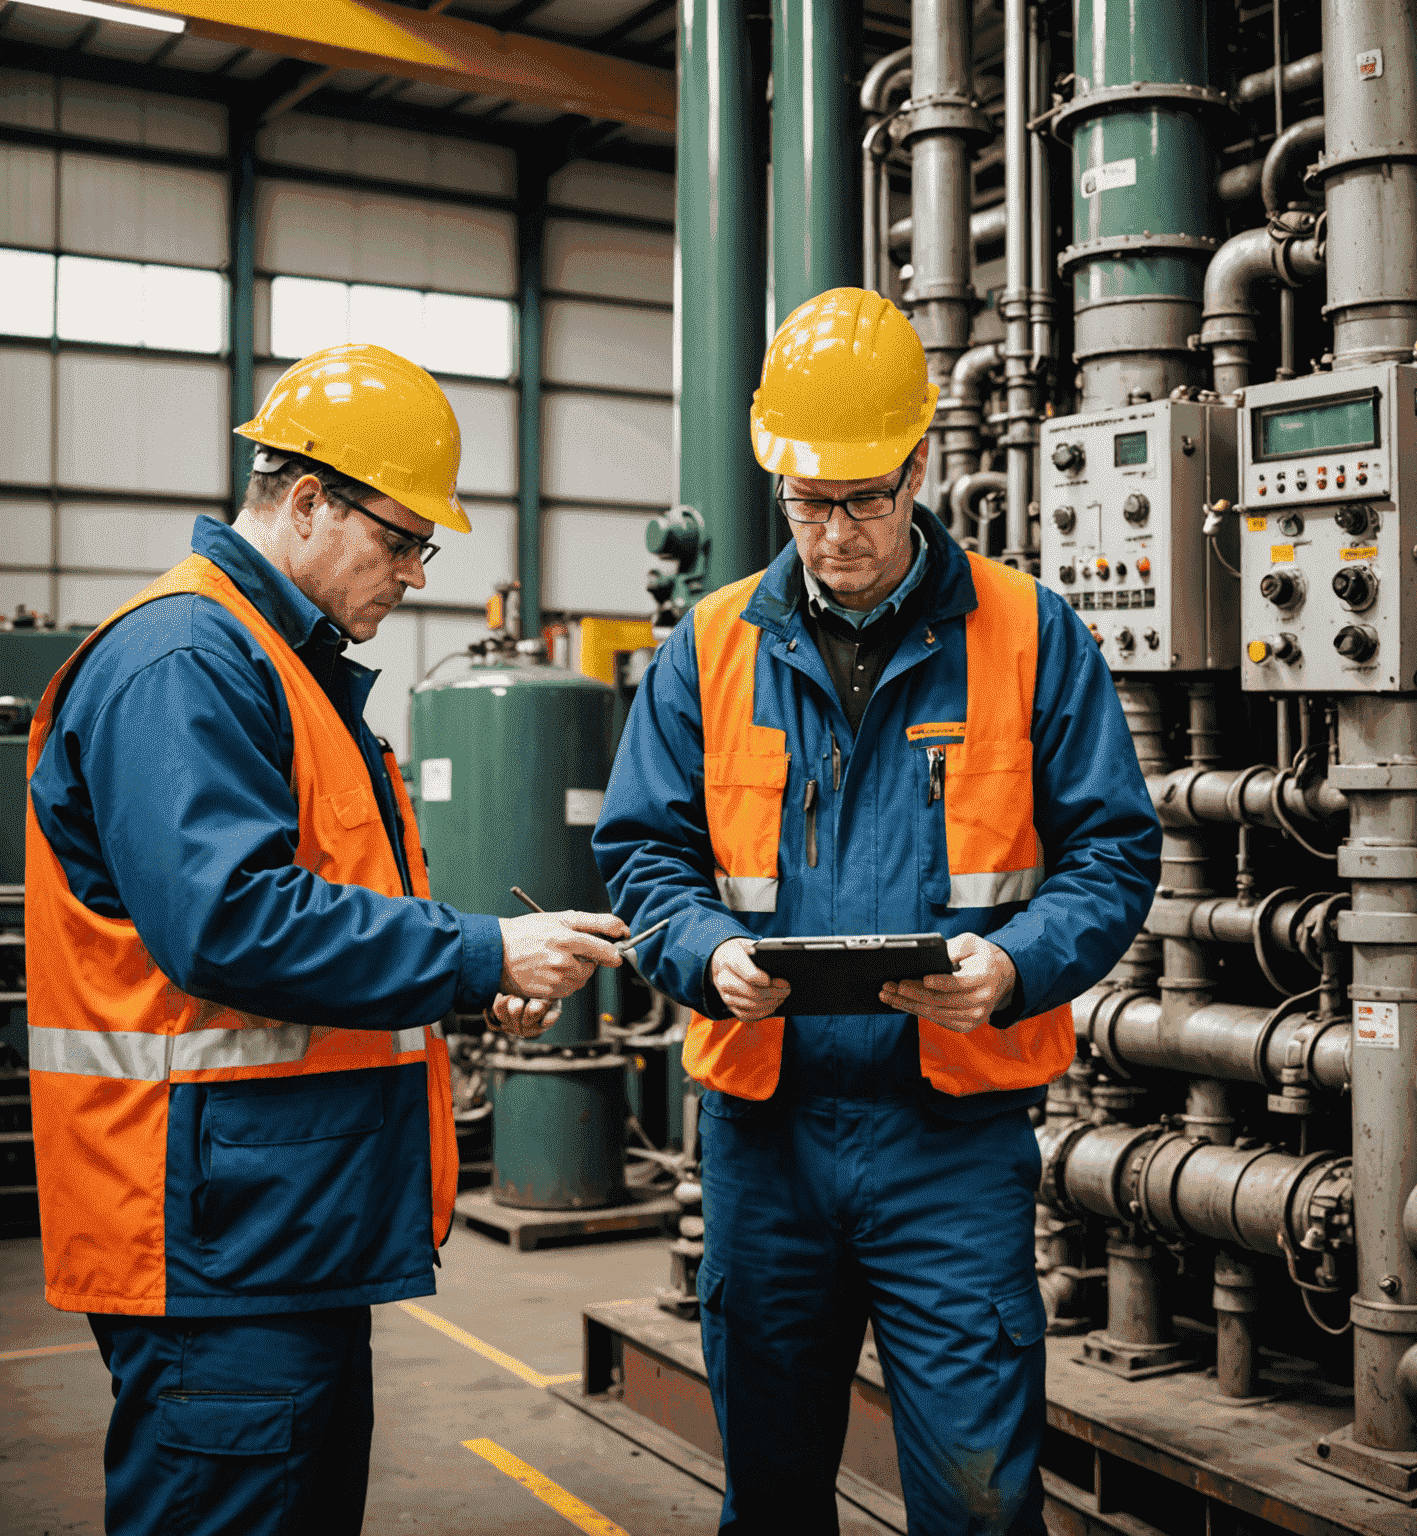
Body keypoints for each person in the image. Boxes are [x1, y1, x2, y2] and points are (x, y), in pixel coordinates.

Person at [26, 343, 627, 1536]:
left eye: (422, 548)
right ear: (306, 500)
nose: (413, 572)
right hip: (213, 1244)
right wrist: (478, 955)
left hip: (278, 1227)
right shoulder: (186, 659)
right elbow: (230, 922)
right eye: (400, 539)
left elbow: (321, 922)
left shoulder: (277, 668)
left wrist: (465, 980)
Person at [594, 289, 1160, 1534]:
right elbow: (643, 852)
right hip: (764, 1135)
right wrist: (706, 952)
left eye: (862, 497)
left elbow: (1114, 854)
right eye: (806, 500)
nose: (835, 532)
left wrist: (1010, 970)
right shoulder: (710, 644)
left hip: (951, 1136)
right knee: (776, 1492)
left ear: (919, 465)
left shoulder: (1028, 632)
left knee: (977, 1497)